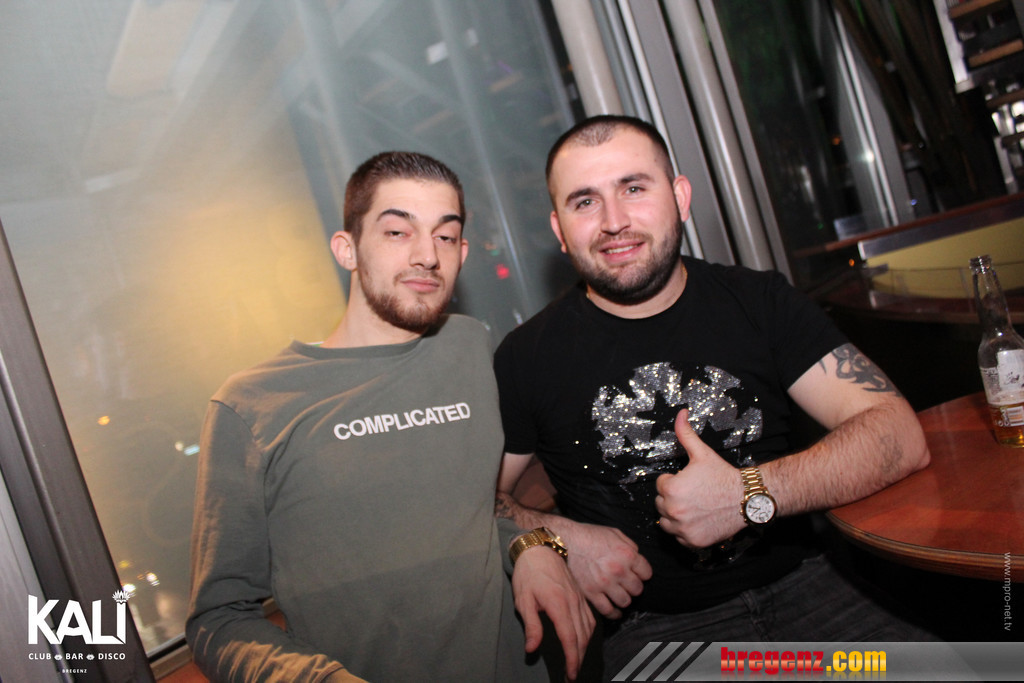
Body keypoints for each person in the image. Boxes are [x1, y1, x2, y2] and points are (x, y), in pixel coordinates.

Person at [493, 115, 935, 677]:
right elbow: (474, 502)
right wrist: (551, 538)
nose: (614, 221)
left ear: (680, 198)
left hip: (816, 589)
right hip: (657, 630)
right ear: (560, 229)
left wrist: (747, 494)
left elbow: (899, 434)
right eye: (585, 202)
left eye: (634, 188)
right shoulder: (527, 356)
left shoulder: (759, 302)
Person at [187, 151, 594, 682]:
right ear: (347, 249)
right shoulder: (252, 406)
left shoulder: (469, 349)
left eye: (445, 236)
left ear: (462, 252)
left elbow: (467, 515)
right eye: (398, 232)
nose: (427, 255)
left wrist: (530, 546)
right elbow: (219, 620)